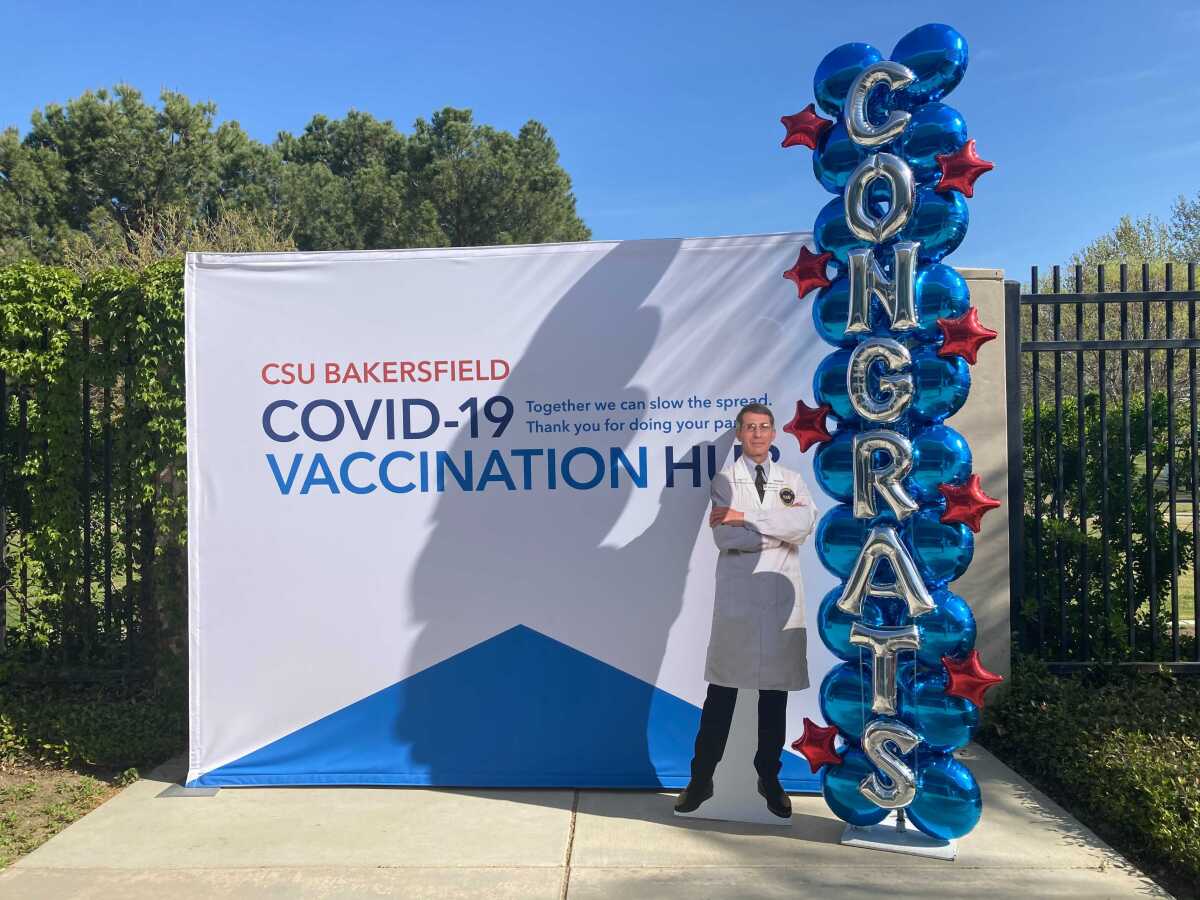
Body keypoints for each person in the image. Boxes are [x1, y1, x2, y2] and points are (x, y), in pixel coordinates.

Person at [674, 402, 817, 819]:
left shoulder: (792, 480)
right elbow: (726, 539)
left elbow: (804, 527)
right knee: (721, 695)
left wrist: (746, 517)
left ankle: (769, 778)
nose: (757, 434)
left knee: (775, 699)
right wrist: (773, 530)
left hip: (780, 604)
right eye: (750, 428)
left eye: (764, 427)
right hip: (739, 605)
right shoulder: (724, 481)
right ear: (739, 434)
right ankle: (701, 779)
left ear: (774, 434)